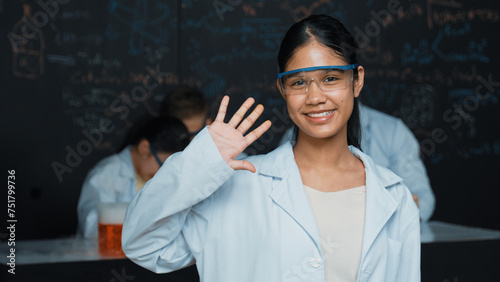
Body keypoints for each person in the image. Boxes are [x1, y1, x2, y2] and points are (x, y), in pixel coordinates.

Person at [122, 15, 420, 281]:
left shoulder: (394, 197)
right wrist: (198, 163)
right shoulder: (240, 187)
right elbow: (144, 246)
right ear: (283, 90)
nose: (315, 97)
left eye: (330, 78)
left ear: (356, 81)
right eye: (299, 82)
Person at [279, 102, 436, 221]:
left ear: (356, 82)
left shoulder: (393, 131)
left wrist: (407, 208)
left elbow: (422, 199)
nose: (318, 96)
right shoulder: (294, 137)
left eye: (332, 79)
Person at [77, 116, 190, 238]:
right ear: (144, 148)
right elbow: (92, 229)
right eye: (162, 165)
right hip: (107, 254)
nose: (163, 174)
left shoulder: (157, 177)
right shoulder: (106, 174)